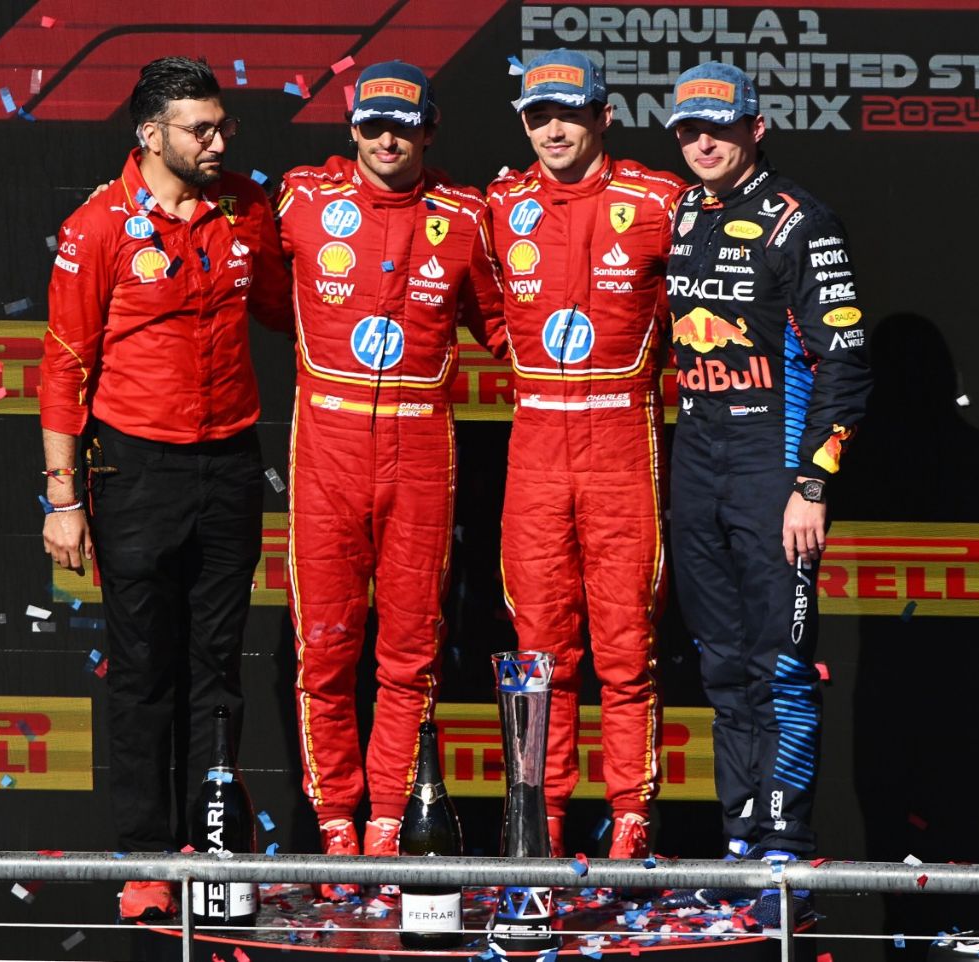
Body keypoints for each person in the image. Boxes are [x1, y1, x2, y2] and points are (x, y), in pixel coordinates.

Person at [39, 56, 293, 922]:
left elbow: (289, 309)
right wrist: (64, 499)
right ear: (150, 135)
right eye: (202, 129)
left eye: (224, 126)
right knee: (145, 671)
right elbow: (62, 370)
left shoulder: (248, 209)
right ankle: (145, 859)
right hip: (136, 470)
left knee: (219, 666)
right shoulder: (96, 227)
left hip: (228, 465)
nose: (222, 142)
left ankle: (214, 843)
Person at [274, 60, 506, 898]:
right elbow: (257, 293)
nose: (384, 138)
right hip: (326, 451)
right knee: (325, 654)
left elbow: (513, 338)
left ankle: (389, 828)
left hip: (420, 455)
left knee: (410, 656)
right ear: (350, 129)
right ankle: (337, 828)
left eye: (401, 126)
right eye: (371, 124)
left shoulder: (465, 216)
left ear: (430, 131)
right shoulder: (301, 201)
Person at [663, 61, 871, 921]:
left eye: (718, 127)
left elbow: (847, 361)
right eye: (687, 130)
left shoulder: (801, 221)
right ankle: (740, 844)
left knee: (781, 668)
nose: (702, 142)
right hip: (697, 464)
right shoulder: (679, 213)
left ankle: (785, 850)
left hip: (772, 469)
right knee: (722, 669)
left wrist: (812, 484)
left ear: (757, 128)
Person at [485, 49, 687, 860]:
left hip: (621, 443)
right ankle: (540, 828)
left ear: (604, 115)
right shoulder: (497, 203)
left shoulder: (659, 199)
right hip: (536, 442)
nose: (554, 129)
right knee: (539, 651)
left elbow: (703, 306)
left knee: (627, 645)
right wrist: (519, 352)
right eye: (538, 116)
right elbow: (479, 304)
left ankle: (631, 826)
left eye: (569, 113)